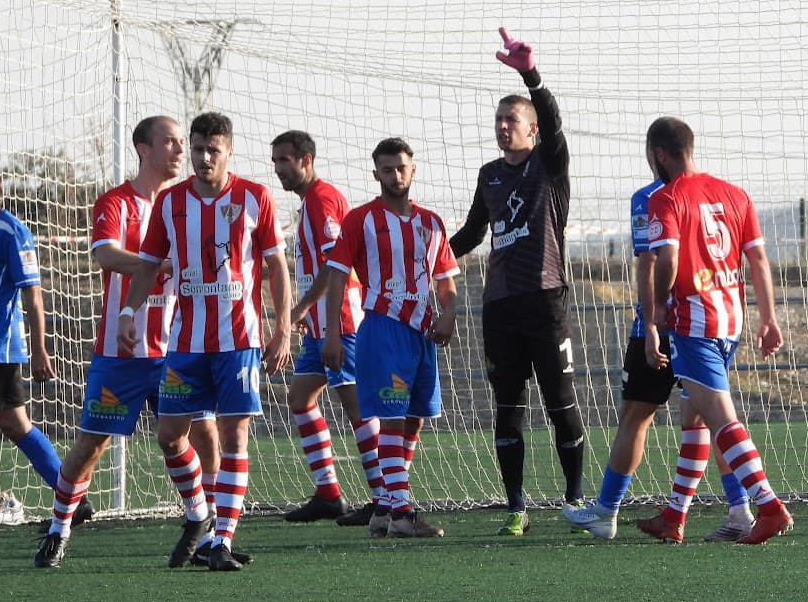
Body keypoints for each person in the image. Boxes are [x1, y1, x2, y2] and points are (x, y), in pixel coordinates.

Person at [33, 116, 248, 569]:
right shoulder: (118, 202)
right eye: (169, 142)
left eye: (180, 143)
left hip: (181, 346)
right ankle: (58, 530)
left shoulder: (192, 202)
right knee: (90, 445)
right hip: (123, 352)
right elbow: (104, 253)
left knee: (199, 438)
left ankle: (206, 528)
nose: (179, 151)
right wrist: (157, 266)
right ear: (142, 149)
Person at [116, 111, 292, 571]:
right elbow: (149, 265)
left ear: (228, 152)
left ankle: (222, 542)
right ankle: (200, 513)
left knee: (235, 438)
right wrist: (129, 312)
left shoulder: (255, 197)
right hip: (186, 343)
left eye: (212, 149)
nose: (203, 157)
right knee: (170, 437)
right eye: (197, 148)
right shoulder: (172, 202)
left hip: (239, 340)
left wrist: (283, 327)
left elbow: (275, 267)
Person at [563, 178, 755, 541]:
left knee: (637, 414)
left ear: (658, 154)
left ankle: (607, 510)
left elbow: (650, 261)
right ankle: (736, 510)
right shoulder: (714, 195)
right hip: (710, 320)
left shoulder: (650, 198)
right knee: (709, 418)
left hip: (666, 324)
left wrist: (650, 324)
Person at [449, 28, 585, 536]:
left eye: (514, 121)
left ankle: (574, 500)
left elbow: (552, 121)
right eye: (500, 121)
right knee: (507, 410)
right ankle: (515, 507)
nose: (506, 127)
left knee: (561, 404)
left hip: (547, 300)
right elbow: (471, 232)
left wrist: (531, 76)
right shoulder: (489, 175)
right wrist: (428, 253)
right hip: (500, 307)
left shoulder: (550, 166)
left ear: (532, 131)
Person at [637, 116, 793, 545]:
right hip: (731, 320)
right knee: (695, 420)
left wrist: (659, 310)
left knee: (722, 420)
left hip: (695, 325)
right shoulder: (734, 194)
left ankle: (768, 506)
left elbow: (665, 260)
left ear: (659, 154)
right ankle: (674, 515)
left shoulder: (665, 198)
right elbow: (758, 261)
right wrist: (769, 318)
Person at [322, 137, 458, 538]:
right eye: (387, 169)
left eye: (401, 167)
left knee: (414, 422)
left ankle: (384, 507)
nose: (395, 175)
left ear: (413, 170)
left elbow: (446, 282)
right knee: (393, 422)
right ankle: (402, 513)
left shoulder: (432, 222)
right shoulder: (359, 220)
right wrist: (332, 332)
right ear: (376, 173)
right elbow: (336, 277)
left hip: (424, 334)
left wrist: (449, 312)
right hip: (382, 329)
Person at [270, 130, 385, 525]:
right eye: (275, 162)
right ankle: (328, 493)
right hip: (320, 326)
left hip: (341, 321)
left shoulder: (321, 201)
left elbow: (337, 264)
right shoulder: (311, 203)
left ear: (306, 159)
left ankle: (384, 498)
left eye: (284, 160)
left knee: (358, 408)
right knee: (300, 399)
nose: (278, 169)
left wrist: (301, 307)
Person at [0, 157, 67, 525]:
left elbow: (33, 294)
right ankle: (71, 496)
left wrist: (39, 349)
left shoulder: (11, 231)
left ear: (0, 186)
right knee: (15, 424)